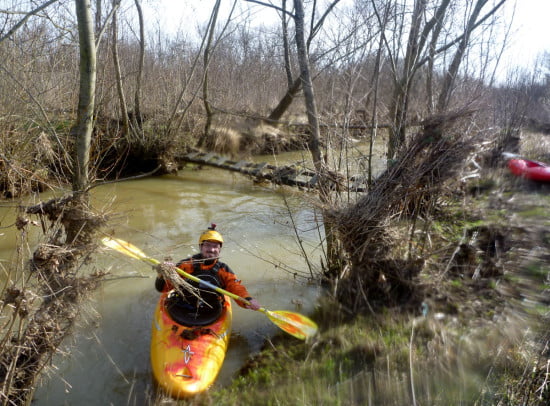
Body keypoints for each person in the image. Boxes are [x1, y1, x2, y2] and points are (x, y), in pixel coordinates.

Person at [155, 224, 261, 321]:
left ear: (220, 249)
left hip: (210, 309)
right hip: (184, 305)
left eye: (215, 246)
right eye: (207, 245)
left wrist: (248, 300)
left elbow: (236, 287)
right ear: (201, 247)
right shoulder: (186, 265)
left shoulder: (223, 270)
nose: (211, 249)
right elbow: (163, 289)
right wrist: (163, 273)